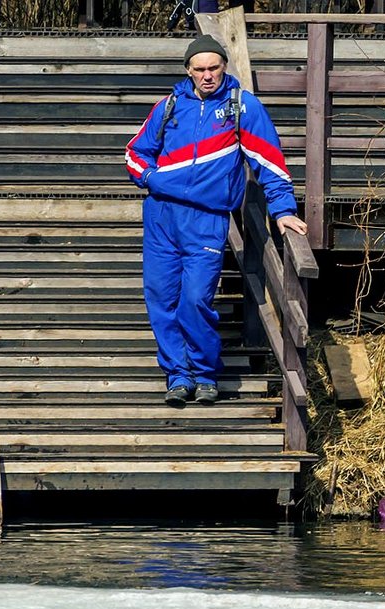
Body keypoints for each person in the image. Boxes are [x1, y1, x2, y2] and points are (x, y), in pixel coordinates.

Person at [125, 35, 307, 408]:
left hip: (206, 219)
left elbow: (269, 161)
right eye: (200, 68)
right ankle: (177, 376)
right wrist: (152, 178)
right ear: (188, 70)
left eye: (214, 67)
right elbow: (135, 153)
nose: (207, 75)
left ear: (224, 66)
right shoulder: (170, 106)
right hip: (161, 216)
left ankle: (205, 375)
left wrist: (283, 210)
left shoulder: (241, 106)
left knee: (195, 299)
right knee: (162, 299)